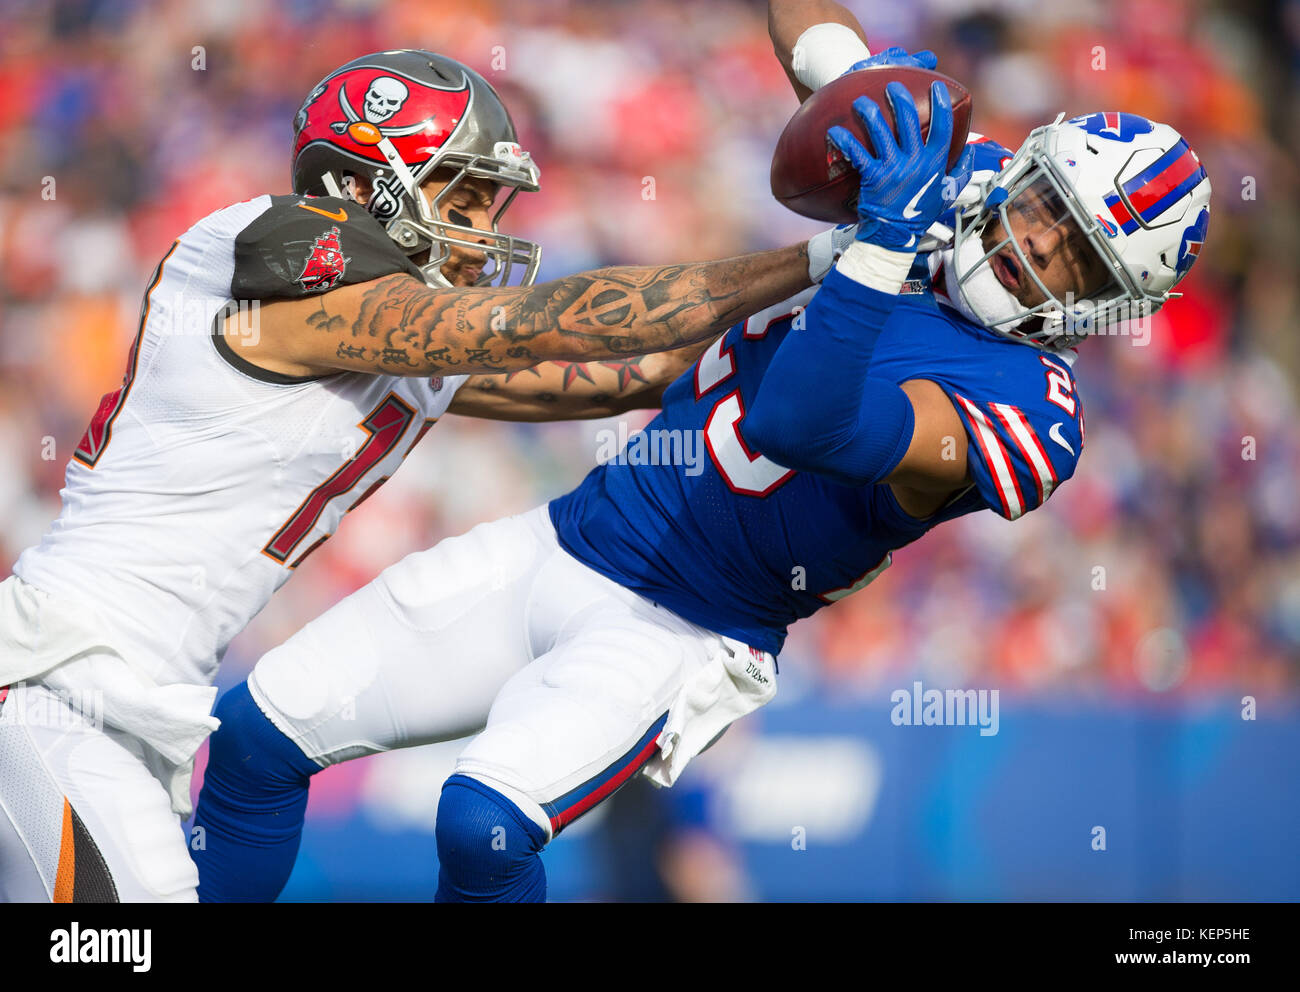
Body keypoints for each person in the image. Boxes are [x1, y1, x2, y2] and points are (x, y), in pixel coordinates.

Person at [192, 5, 1212, 902]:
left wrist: (880, 243)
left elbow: (800, 425)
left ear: (1112, 299)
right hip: (570, 533)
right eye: (1046, 210)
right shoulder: (951, 174)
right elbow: (819, 40)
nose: (1036, 248)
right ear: (1022, 168)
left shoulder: (1033, 412)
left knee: (482, 824)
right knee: (252, 737)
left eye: (1077, 253)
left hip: (685, 626)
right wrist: (855, 91)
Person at [0, 48, 838, 903]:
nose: (484, 227)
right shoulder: (261, 260)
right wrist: (808, 258)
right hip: (58, 684)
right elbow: (567, 325)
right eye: (463, 193)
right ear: (365, 183)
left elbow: (636, 371)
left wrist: (855, 300)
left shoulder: (388, 336)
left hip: (137, 701)